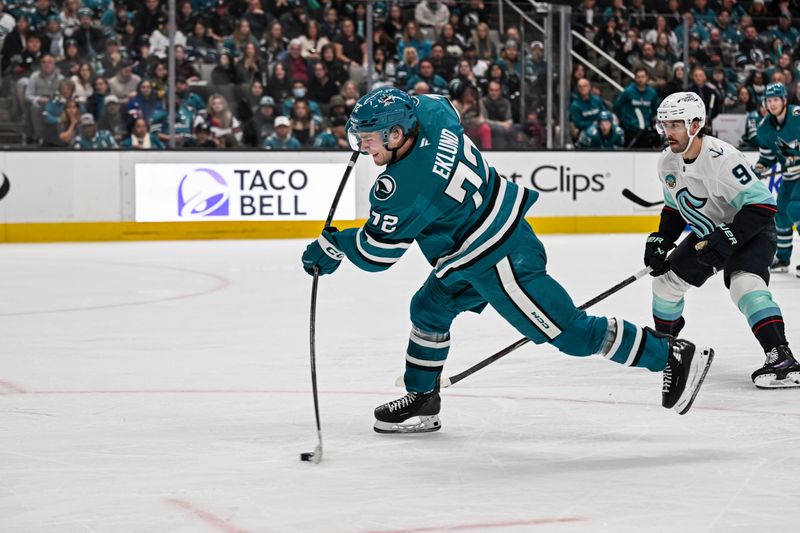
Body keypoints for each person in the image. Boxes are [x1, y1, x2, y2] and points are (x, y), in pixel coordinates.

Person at [300, 87, 714, 434]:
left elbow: (377, 255)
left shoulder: (404, 186)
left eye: (369, 137)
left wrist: (334, 246)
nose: (361, 146)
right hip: (476, 248)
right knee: (428, 307)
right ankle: (423, 398)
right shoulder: (432, 113)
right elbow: (435, 100)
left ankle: (672, 356)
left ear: (395, 133)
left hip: (498, 260)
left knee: (569, 333)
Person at [644, 91, 797, 389]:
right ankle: (666, 346)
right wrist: (661, 239)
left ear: (695, 124)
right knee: (664, 284)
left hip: (750, 231)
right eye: (665, 125)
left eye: (675, 124)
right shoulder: (667, 162)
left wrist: (729, 237)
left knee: (744, 285)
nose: (668, 132)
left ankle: (781, 357)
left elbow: (763, 206)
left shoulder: (721, 158)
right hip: (710, 234)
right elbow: (674, 207)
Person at [754, 83, 800, 275]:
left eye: (776, 100)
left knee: (796, 208)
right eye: (769, 100)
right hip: (789, 176)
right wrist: (758, 168)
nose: (772, 104)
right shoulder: (764, 127)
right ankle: (782, 259)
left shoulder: (797, 115)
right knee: (780, 213)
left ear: (784, 100)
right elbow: (767, 157)